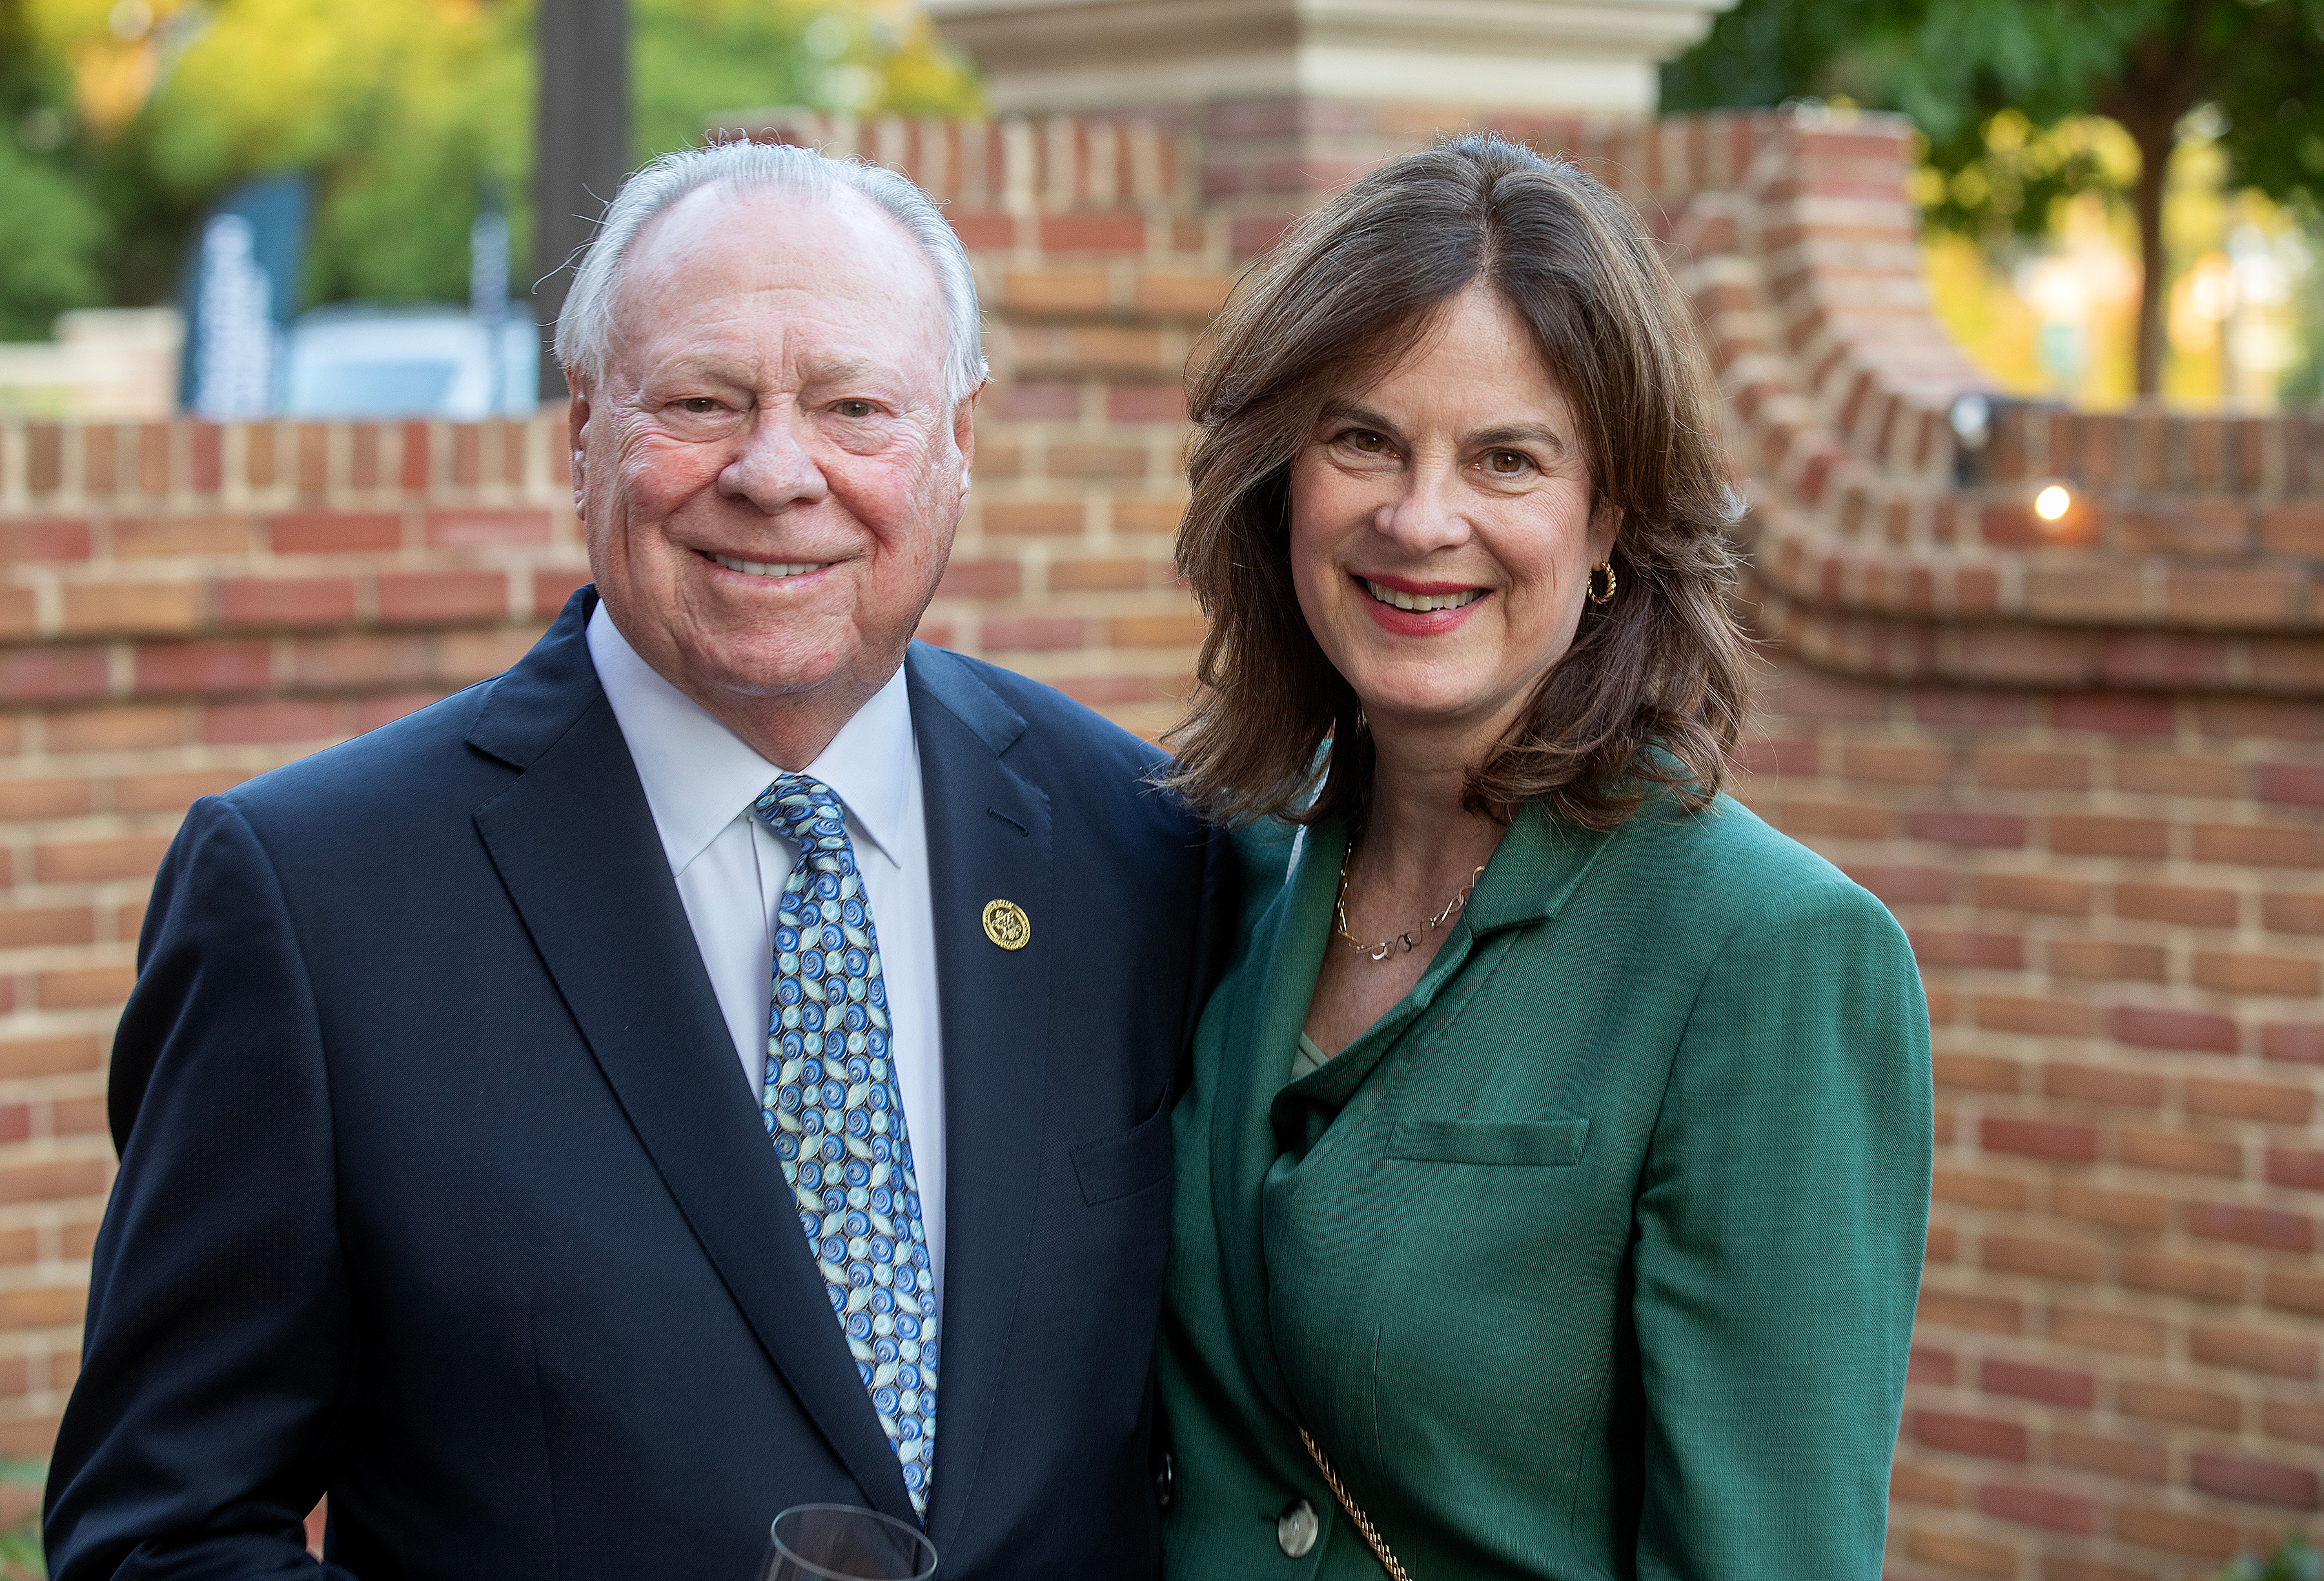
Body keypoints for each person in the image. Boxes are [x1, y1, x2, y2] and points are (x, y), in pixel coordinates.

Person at [47, 141, 1228, 1581]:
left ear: (960, 439)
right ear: (587, 422)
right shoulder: (314, 904)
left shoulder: (1142, 843)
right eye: (700, 401)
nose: (776, 472)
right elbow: (159, 1535)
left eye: (856, 407)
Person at [1154, 135, 1932, 1579]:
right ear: (1283, 481)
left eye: (1507, 457)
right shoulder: (1239, 877)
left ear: (1610, 523)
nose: (1420, 517)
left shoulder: (1769, 957)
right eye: (1362, 438)